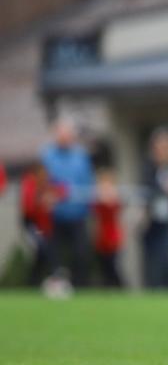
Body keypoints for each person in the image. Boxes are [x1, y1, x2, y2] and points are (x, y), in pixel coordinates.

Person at [41, 116, 95, 288]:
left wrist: (89, 208)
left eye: (67, 133)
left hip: (77, 214)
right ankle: (57, 285)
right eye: (61, 133)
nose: (64, 137)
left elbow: (88, 184)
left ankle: (80, 287)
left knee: (81, 253)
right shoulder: (47, 156)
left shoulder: (81, 156)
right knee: (53, 255)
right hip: (54, 215)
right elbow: (41, 184)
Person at [141, 127, 168, 288]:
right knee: (153, 261)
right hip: (152, 223)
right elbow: (147, 188)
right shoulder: (148, 167)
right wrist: (165, 189)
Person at [20, 162, 62, 286]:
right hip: (31, 223)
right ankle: (52, 275)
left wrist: (54, 197)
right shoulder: (29, 184)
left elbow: (64, 189)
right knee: (42, 248)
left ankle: (34, 282)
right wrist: (41, 201)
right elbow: (28, 207)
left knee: (43, 252)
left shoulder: (48, 184)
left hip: (44, 225)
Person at [93, 169, 125, 287]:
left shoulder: (115, 199)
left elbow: (116, 209)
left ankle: (120, 287)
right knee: (104, 266)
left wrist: (109, 199)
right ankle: (108, 288)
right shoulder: (98, 200)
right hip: (101, 236)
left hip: (112, 236)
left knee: (113, 265)